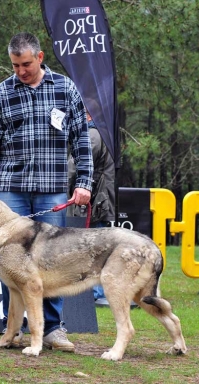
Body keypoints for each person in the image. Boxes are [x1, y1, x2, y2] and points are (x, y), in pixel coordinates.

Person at [0, 32, 93, 352]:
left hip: (53, 191)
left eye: (26, 64)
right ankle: (11, 329)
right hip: (10, 193)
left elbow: (81, 140)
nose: (20, 71)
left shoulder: (65, 88)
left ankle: (54, 329)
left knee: (51, 261)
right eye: (15, 65)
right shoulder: (1, 93)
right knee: (9, 261)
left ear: (40, 57)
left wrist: (84, 182)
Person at [67, 110, 116, 306]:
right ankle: (97, 292)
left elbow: (75, 166)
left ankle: (96, 293)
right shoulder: (103, 134)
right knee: (99, 247)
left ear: (87, 115)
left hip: (94, 201)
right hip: (100, 199)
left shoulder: (92, 135)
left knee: (93, 248)